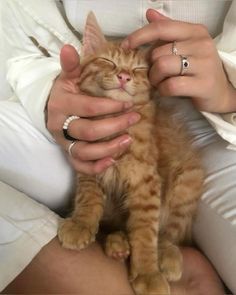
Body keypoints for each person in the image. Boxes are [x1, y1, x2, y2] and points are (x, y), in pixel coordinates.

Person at [0, 0, 236, 293]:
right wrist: (47, 90)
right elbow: (20, 32)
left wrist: (229, 85)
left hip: (218, 125)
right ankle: (110, 274)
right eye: (113, 66)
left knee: (170, 184)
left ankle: (133, 252)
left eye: (133, 72)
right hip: (70, 101)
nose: (124, 75)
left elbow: (144, 187)